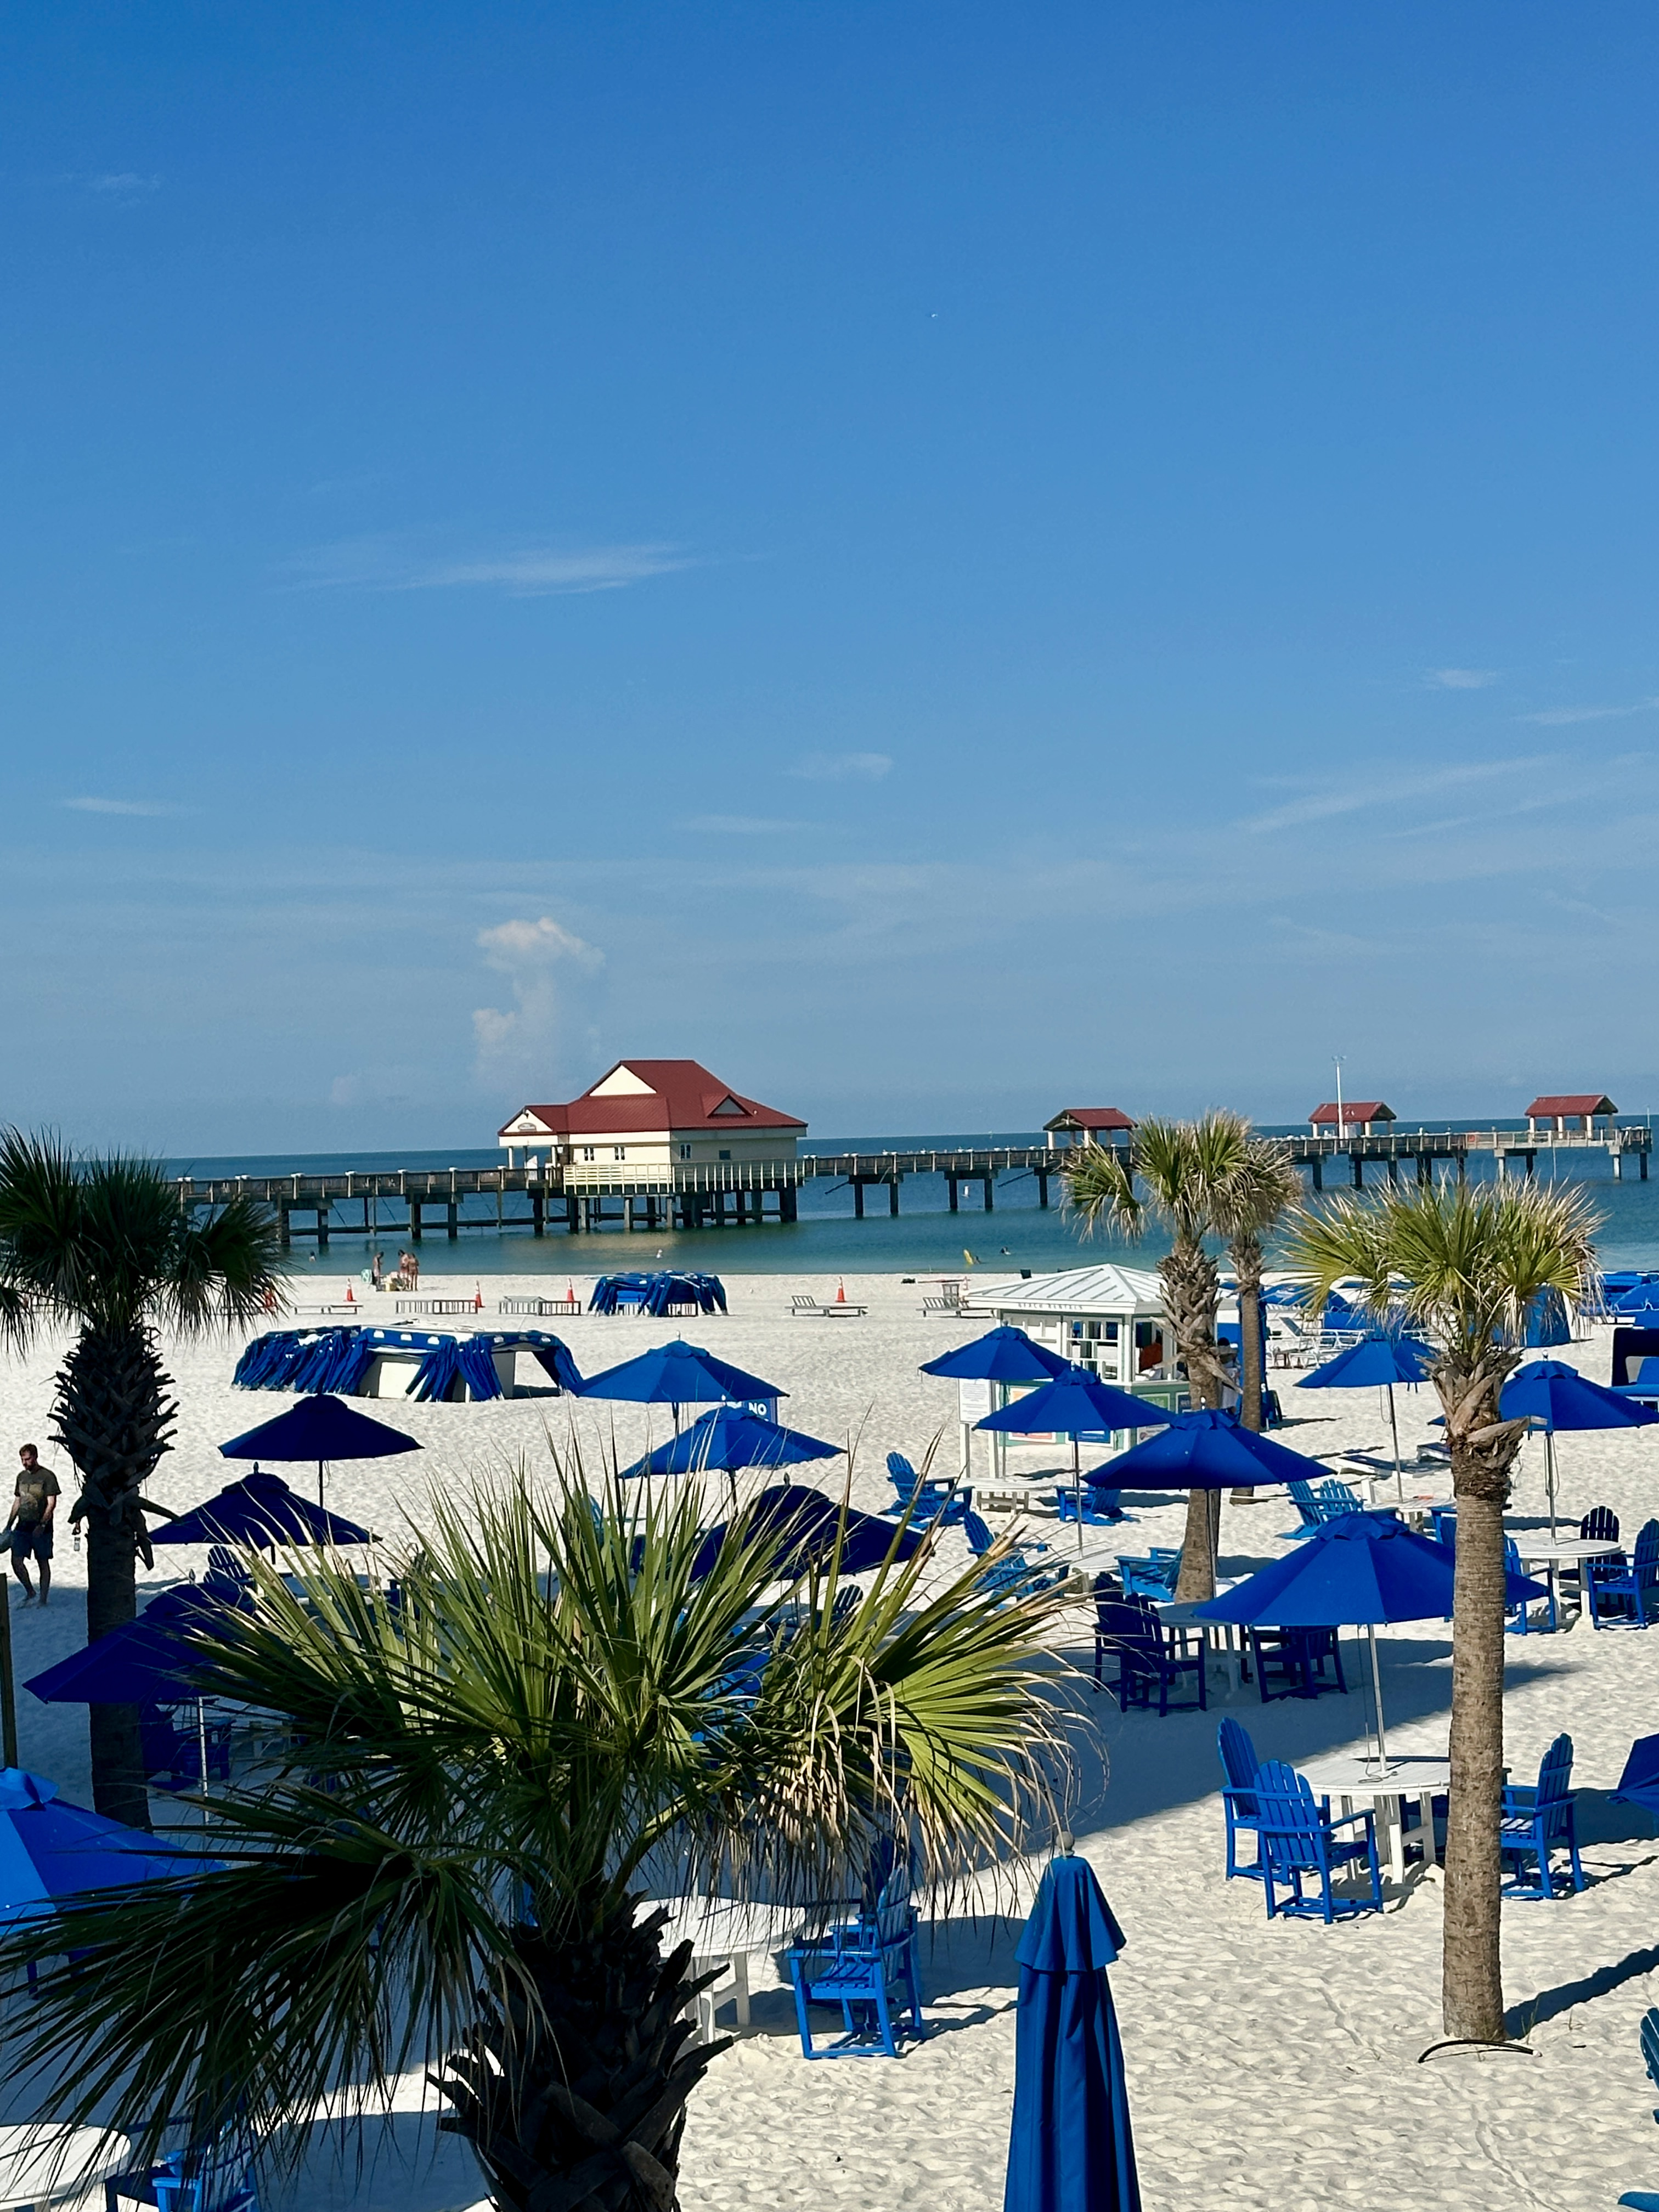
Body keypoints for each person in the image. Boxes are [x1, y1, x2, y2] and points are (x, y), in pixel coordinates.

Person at [7, 1443, 60, 1608]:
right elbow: (18, 1501)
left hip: (41, 1526)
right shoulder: (21, 1477)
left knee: (42, 1561)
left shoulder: (47, 1477)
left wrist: (43, 1524)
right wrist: (9, 1524)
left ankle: (43, 1599)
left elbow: (51, 1503)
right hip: (22, 1525)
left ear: (35, 1457)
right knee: (16, 1560)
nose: (25, 1463)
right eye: (23, 1460)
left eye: (28, 1459)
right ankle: (30, 1591)